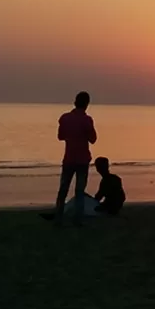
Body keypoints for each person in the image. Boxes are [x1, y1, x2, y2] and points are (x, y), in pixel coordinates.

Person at [54, 91, 97, 227]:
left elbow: (60, 136)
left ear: (75, 102)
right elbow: (93, 139)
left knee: (63, 189)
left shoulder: (65, 118)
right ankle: (78, 220)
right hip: (82, 160)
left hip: (69, 158)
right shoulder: (87, 120)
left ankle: (59, 217)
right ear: (86, 105)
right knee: (79, 191)